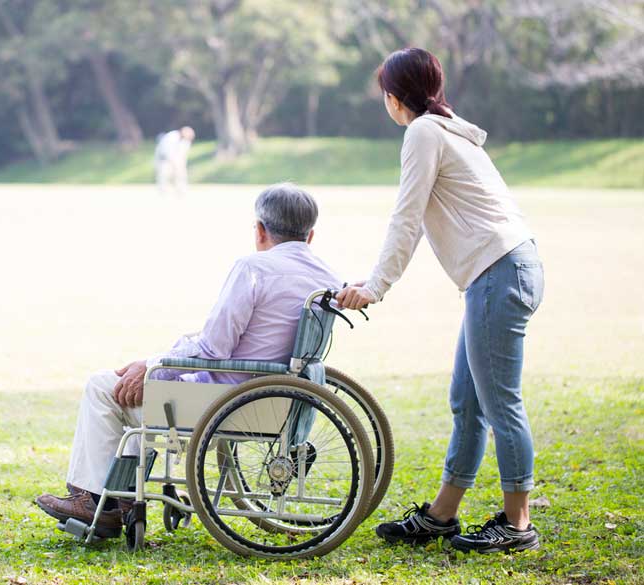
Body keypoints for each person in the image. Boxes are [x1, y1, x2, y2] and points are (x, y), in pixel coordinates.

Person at [36, 183, 341, 537]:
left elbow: (213, 350)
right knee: (143, 393)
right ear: (311, 234)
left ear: (259, 230)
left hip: (223, 402)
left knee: (105, 387)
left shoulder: (254, 268)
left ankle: (93, 501)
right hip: (277, 398)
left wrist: (153, 365)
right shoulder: (327, 278)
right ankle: (114, 501)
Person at [336, 48, 545, 554]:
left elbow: (405, 217)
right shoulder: (449, 129)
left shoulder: (424, 132)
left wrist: (375, 285)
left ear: (393, 96)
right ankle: (441, 515)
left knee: (499, 404)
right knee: (467, 401)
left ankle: (518, 526)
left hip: (499, 272)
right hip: (501, 272)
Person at [155, 126, 195, 196]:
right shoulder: (172, 136)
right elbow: (166, 151)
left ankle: (180, 191)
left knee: (181, 174)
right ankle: (163, 191)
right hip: (164, 159)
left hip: (176, 160)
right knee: (164, 175)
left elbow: (183, 155)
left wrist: (181, 164)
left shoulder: (186, 142)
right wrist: (174, 162)